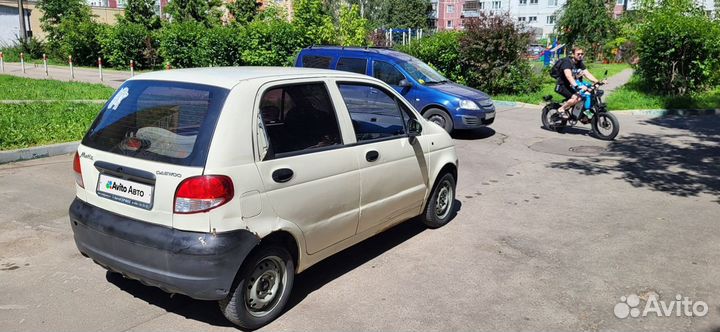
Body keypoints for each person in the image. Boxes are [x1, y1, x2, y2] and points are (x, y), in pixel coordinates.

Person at [554, 48, 604, 119]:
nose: (580, 55)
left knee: (589, 93)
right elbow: (569, 76)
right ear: (573, 54)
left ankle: (583, 114)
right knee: (577, 97)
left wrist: (597, 81)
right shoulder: (567, 62)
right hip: (563, 85)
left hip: (573, 85)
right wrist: (577, 86)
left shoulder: (580, 63)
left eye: (582, 54)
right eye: (578, 54)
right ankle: (561, 109)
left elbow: (587, 74)